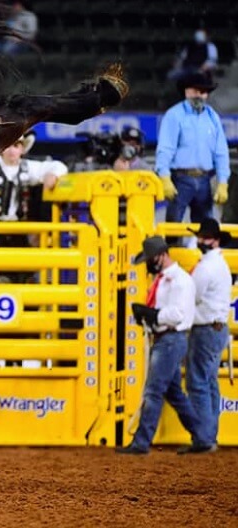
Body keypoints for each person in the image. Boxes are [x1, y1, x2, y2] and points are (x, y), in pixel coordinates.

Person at [117, 236, 206, 454]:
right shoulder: (167, 280)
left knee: (153, 391)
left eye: (150, 258)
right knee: (173, 392)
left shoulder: (180, 281)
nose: (148, 263)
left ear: (162, 255)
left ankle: (141, 442)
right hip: (167, 339)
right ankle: (202, 437)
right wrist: (150, 316)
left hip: (171, 339)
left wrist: (153, 315)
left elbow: (178, 315)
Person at [0, 131, 67, 282]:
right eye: (7, 146)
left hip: (19, 231)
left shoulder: (27, 168)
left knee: (23, 273)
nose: (12, 150)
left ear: (22, 149)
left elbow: (58, 165)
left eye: (16, 145)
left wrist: (53, 174)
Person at [183, 219, 233, 453]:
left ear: (213, 240)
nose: (200, 241)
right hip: (218, 327)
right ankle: (209, 434)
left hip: (205, 329)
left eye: (203, 237)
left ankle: (204, 438)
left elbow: (192, 295)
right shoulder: (219, 264)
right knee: (209, 382)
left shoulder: (206, 267)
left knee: (199, 383)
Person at [155, 72, 229, 225]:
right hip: (180, 179)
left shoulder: (212, 116)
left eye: (203, 92)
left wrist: (223, 182)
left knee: (206, 229)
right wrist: (164, 176)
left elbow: (221, 152)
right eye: (196, 91)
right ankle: (172, 247)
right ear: (186, 91)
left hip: (205, 179)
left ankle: (202, 248)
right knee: (174, 226)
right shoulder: (174, 115)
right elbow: (165, 148)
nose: (200, 95)